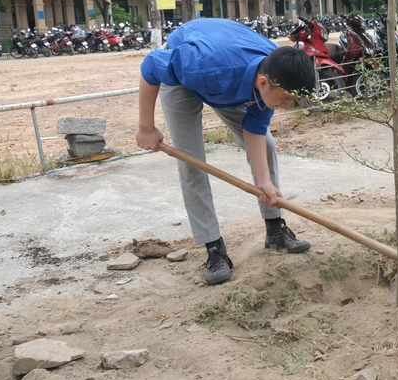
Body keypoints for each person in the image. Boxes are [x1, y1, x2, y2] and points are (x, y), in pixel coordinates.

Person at [135, 18, 317, 285]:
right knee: (192, 163)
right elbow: (150, 65)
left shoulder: (276, 67)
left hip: (230, 76)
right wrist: (146, 127)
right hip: (191, 74)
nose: (289, 105)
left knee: (266, 145)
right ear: (264, 83)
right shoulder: (202, 64)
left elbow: (254, 129)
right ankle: (214, 248)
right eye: (288, 99)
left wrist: (264, 182)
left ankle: (275, 230)